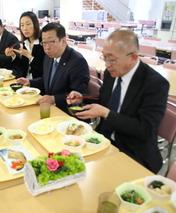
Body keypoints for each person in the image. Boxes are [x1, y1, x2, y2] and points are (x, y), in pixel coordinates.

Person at [67, 29, 169, 173]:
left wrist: (106, 113)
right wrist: (82, 99)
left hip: (134, 152)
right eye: (104, 58)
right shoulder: (111, 73)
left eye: (112, 59)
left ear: (133, 57)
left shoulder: (155, 84)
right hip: (104, 140)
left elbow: (145, 129)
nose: (107, 64)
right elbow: (104, 102)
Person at [17, 22, 89, 113]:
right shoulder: (49, 57)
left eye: (51, 42)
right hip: (49, 108)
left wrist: (54, 99)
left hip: (66, 113)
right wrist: (30, 82)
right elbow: (47, 81)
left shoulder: (77, 61)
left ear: (63, 41)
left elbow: (79, 96)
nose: (47, 47)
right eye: (44, 43)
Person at [5, 11, 45, 79]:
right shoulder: (25, 43)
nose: (25, 28)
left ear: (35, 25)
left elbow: (43, 70)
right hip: (25, 81)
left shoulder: (43, 43)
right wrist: (13, 55)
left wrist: (30, 57)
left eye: (28, 24)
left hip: (37, 84)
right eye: (22, 25)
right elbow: (23, 68)